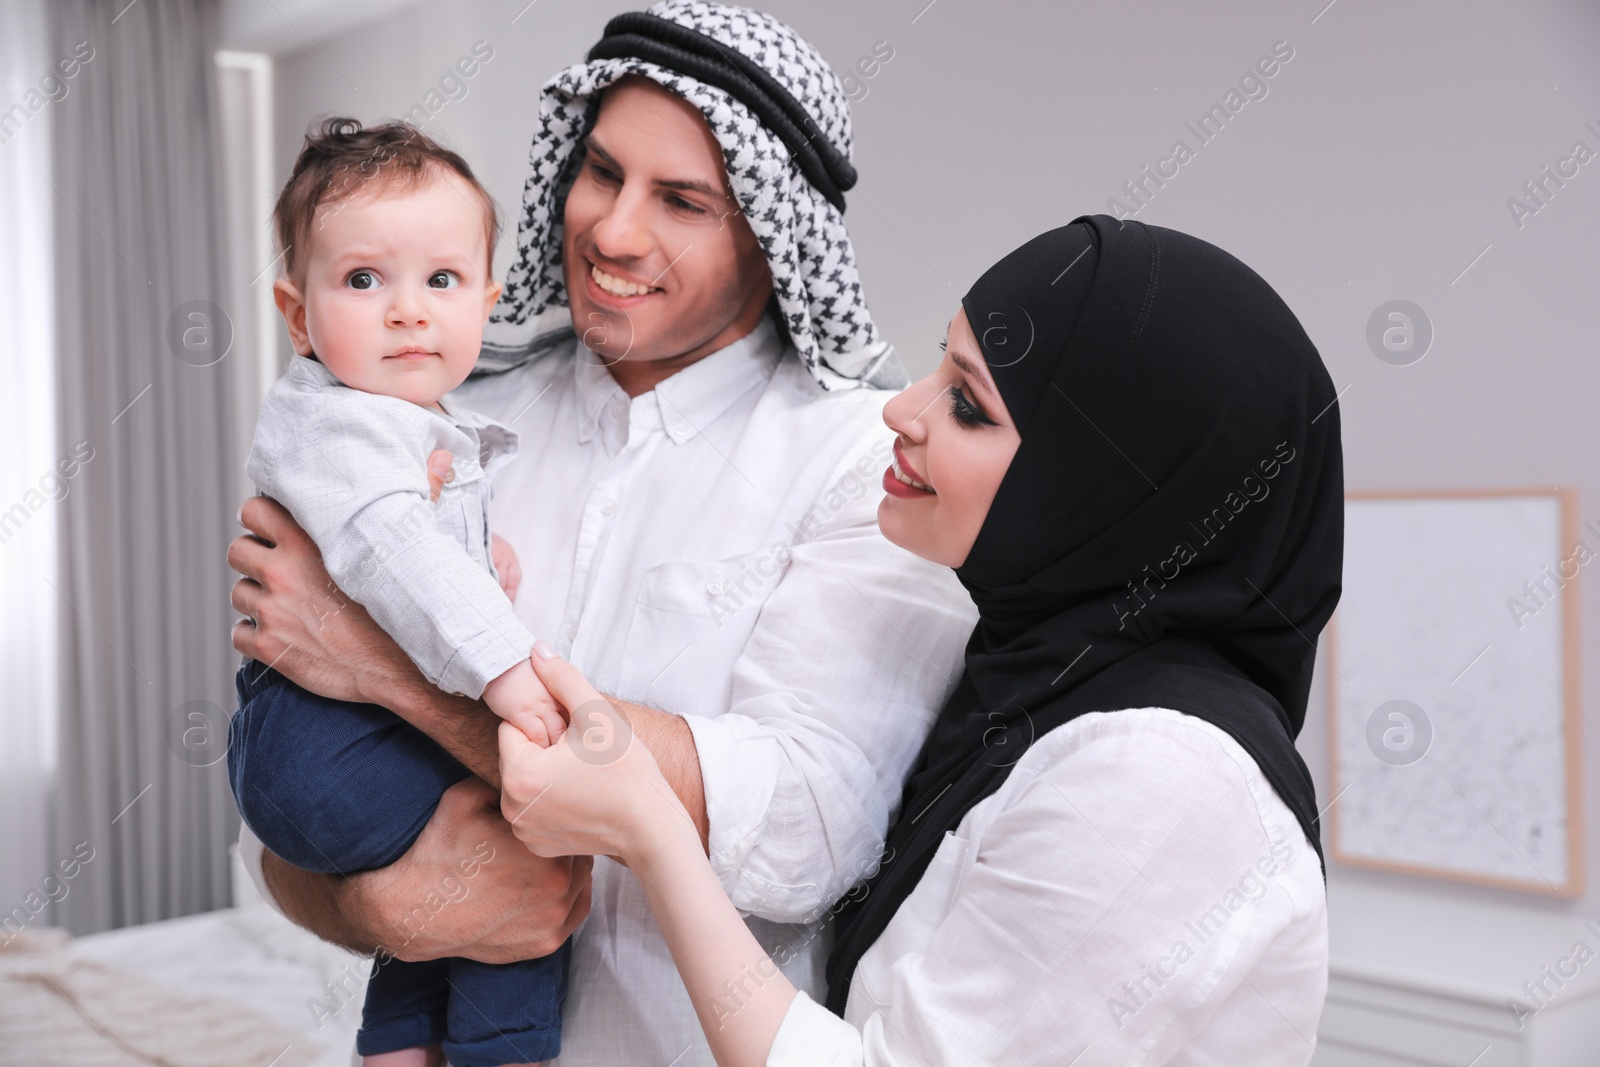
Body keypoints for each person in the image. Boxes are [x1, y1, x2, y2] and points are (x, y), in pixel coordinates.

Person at [226, 5, 975, 1065]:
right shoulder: (435, 418)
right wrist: (388, 913)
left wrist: (388, 672)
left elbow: (810, 830)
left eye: (682, 200)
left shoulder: (866, 463)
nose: (614, 231)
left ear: (770, 231)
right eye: (601, 173)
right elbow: (281, 832)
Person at [495, 215, 1342, 1066]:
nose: (902, 409)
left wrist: (652, 827)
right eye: (941, 361)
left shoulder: (1162, 776)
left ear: (1104, 482)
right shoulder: (1036, 681)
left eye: (970, 405)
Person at [230, 118, 571, 1066]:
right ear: (297, 316)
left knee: (454, 868)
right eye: (364, 280)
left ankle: (398, 1042)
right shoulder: (346, 423)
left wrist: (476, 552)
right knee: (533, 837)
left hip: (320, 745)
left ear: (488, 301)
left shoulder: (390, 422)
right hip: (324, 739)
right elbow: (387, 548)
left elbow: (401, 539)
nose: (408, 310)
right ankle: (504, 1051)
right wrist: (505, 668)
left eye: (443, 280)